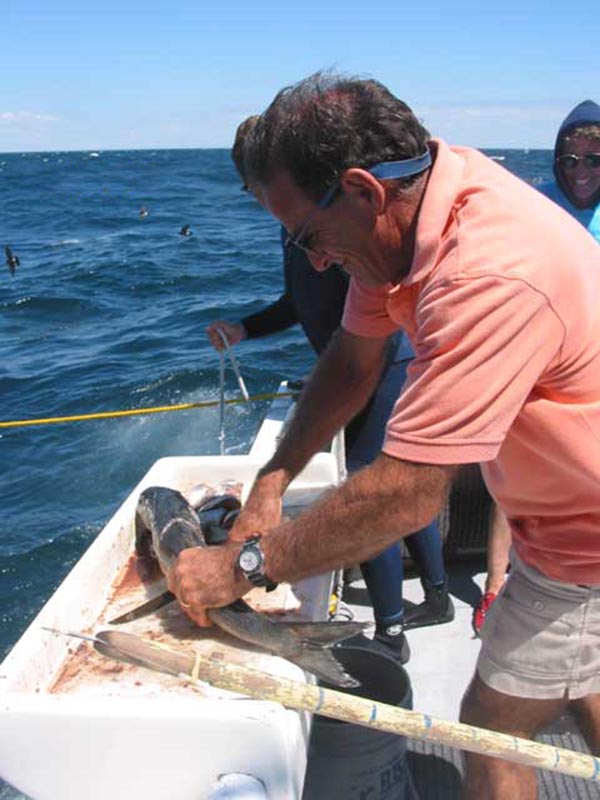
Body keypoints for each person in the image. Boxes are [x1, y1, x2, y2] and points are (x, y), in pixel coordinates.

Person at [169, 74, 600, 800]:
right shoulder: (410, 217)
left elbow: (404, 497)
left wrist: (240, 566)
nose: (309, 260)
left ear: (366, 191)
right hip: (555, 514)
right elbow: (352, 359)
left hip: (583, 540)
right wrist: (273, 480)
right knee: (579, 669)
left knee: (492, 731)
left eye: (307, 235)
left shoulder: (488, 270)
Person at [205, 118, 454, 664]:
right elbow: (300, 301)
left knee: (365, 492)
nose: (258, 199)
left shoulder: (324, 216)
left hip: (384, 367)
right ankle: (437, 598)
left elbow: (375, 301)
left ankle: (390, 632)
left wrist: (350, 383)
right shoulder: (296, 224)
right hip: (361, 368)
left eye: (258, 187)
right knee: (375, 484)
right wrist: (246, 328)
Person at [473, 99, 600, 635]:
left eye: (594, 158)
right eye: (568, 159)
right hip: (537, 358)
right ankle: (495, 586)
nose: (580, 170)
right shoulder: (534, 206)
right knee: (518, 476)